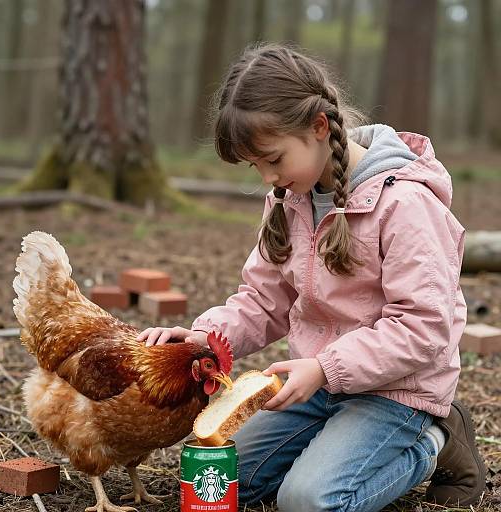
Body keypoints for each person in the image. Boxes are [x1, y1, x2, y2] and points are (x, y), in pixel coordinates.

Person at [137, 43, 486, 512]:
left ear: (319, 127)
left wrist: (324, 367)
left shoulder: (405, 204)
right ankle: (335, 440)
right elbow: (262, 300)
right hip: (318, 386)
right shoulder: (288, 198)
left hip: (395, 393)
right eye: (255, 165)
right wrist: (203, 340)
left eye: (273, 159)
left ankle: (434, 444)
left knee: (308, 502)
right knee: (215, 478)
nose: (266, 178)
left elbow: (423, 327)